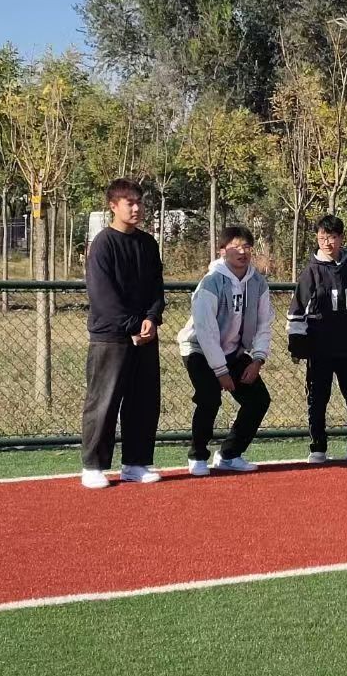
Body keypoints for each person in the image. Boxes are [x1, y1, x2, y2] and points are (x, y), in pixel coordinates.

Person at [80, 179, 164, 489]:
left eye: (140, 201)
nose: (137, 208)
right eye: (130, 202)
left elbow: (156, 288)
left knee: (143, 402)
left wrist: (151, 319)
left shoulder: (148, 243)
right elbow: (103, 296)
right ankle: (93, 466)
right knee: (103, 402)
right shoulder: (103, 244)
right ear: (113, 206)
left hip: (145, 336)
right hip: (110, 337)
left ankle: (135, 463)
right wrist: (132, 326)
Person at [177, 226, 272, 475]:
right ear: (222, 251)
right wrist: (221, 371)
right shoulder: (210, 283)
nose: (242, 252)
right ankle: (197, 455)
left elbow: (264, 324)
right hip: (199, 349)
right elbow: (206, 331)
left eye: (247, 247)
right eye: (235, 247)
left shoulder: (258, 283)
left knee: (258, 400)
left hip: (234, 351)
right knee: (209, 398)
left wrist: (257, 359)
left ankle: (230, 454)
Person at [287, 214, 347, 463]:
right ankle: (317, 448)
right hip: (319, 347)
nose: (327, 243)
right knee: (318, 398)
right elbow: (297, 311)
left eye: (332, 237)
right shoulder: (310, 273)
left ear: (341, 238)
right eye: (322, 238)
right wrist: (297, 344)